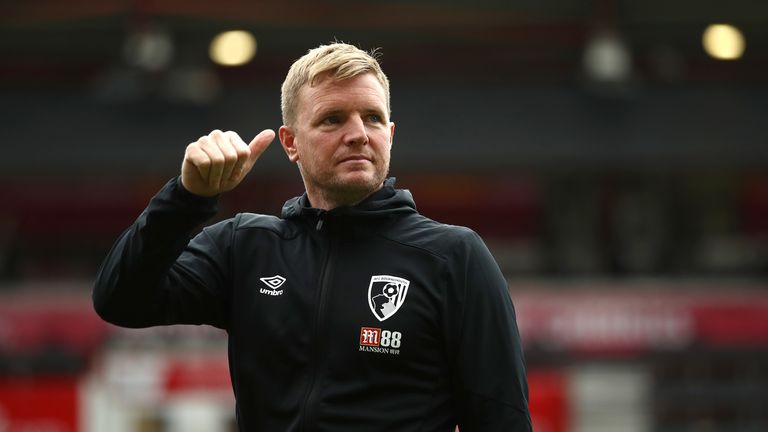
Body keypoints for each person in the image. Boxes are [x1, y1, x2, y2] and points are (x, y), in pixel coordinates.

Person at [93, 42, 532, 431]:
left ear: (390, 135)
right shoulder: (245, 247)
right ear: (291, 143)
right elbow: (119, 299)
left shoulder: (454, 257)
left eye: (373, 118)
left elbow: (501, 419)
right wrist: (187, 197)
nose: (358, 134)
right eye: (332, 119)